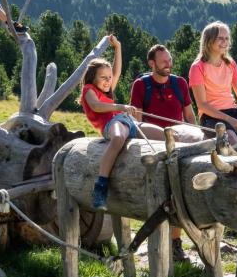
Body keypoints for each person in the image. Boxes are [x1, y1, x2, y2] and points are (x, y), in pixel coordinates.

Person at [130, 44, 199, 261]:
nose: (168, 64)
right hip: (154, 145)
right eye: (163, 61)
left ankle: (175, 243)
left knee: (179, 192)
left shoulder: (179, 83)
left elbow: (189, 115)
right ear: (152, 63)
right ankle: (158, 242)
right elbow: (137, 121)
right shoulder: (141, 85)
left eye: (169, 60)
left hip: (179, 143)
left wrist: (197, 138)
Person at [81, 36, 165, 209]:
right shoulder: (89, 90)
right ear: (92, 78)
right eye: (103, 77)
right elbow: (96, 106)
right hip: (112, 123)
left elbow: (117, 71)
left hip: (128, 121)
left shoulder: (108, 87)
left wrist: (118, 48)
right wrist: (121, 106)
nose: (108, 81)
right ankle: (101, 185)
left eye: (109, 77)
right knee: (118, 138)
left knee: (165, 134)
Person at [188, 22, 237, 145]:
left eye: (226, 38)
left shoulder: (230, 64)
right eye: (220, 38)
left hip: (234, 113)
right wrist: (230, 121)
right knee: (232, 140)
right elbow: (202, 104)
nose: (224, 42)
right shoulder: (197, 67)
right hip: (211, 118)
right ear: (209, 40)